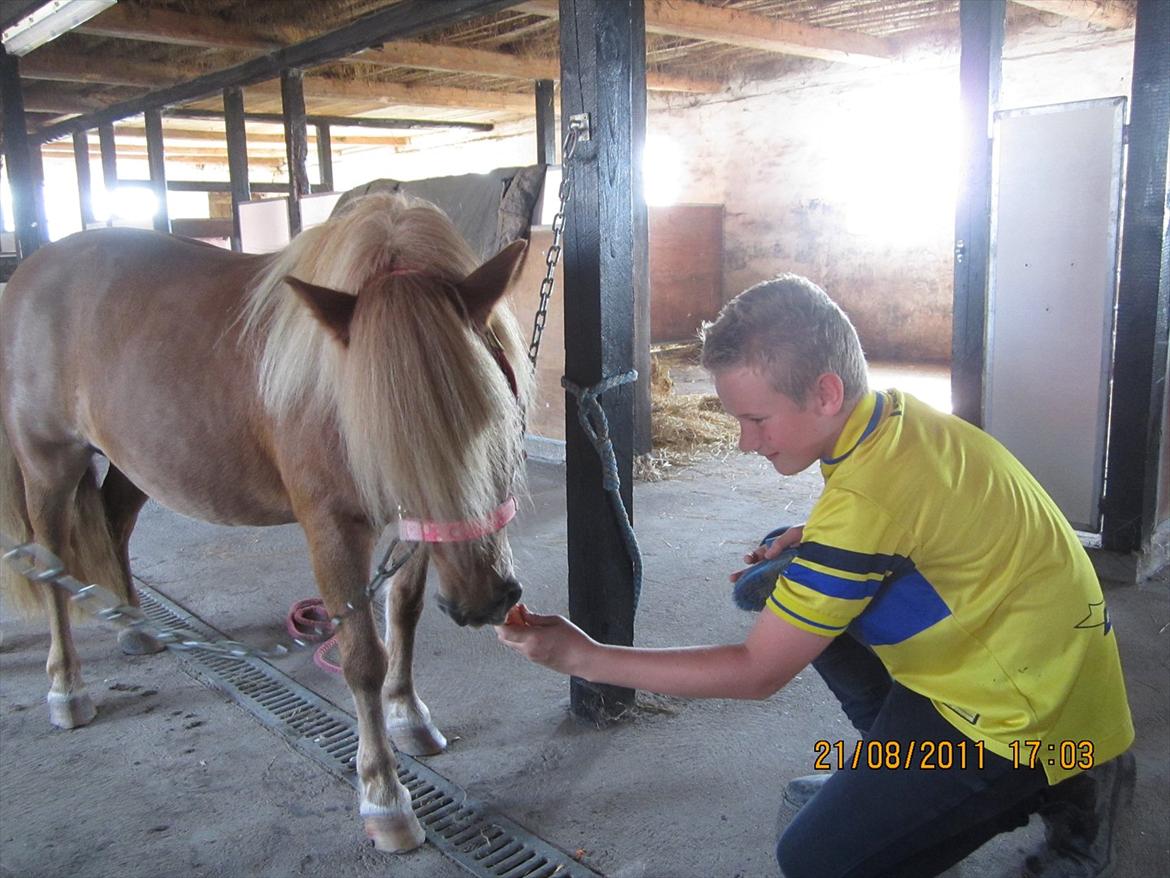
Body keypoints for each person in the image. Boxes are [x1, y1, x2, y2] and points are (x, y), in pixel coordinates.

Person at [496, 274, 1135, 878]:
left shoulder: (864, 505)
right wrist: (814, 542)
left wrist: (588, 656)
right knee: (789, 585)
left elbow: (757, 672)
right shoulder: (895, 419)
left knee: (816, 860)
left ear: (826, 392)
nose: (747, 443)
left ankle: (1060, 785)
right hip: (1053, 663)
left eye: (757, 419)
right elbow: (912, 519)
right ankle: (906, 780)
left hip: (1019, 721)